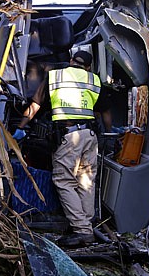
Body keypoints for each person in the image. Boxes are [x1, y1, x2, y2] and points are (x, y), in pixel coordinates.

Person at [13, 50, 110, 247]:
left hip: (69, 136)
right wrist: (109, 137)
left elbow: (35, 105)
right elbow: (105, 112)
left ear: (70, 61)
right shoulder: (94, 80)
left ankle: (82, 231)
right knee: (85, 182)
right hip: (90, 136)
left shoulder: (55, 76)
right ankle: (85, 224)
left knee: (63, 181)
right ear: (88, 67)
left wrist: (19, 128)